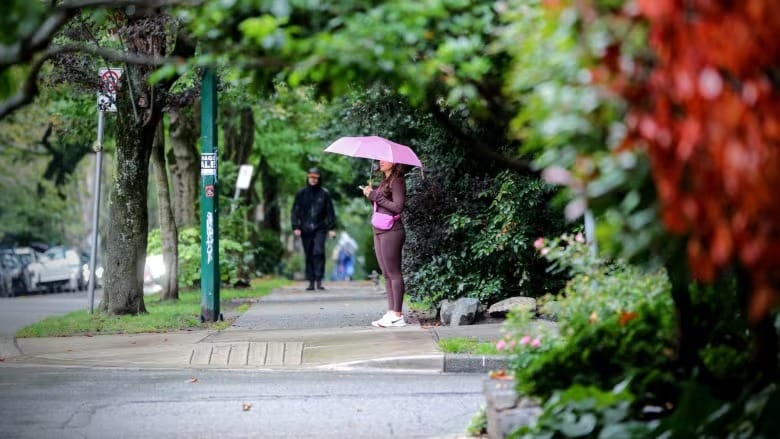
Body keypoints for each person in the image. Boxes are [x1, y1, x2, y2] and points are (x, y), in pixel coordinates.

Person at [362, 160, 407, 327]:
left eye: (385, 159)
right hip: (379, 230)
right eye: (380, 158)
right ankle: (391, 312)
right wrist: (370, 196)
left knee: (394, 273)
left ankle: (398, 314)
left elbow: (398, 206)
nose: (381, 161)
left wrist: (376, 196)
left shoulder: (398, 181)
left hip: (392, 231)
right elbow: (381, 206)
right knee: (386, 273)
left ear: (394, 162)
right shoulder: (385, 181)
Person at [292, 167, 337, 290]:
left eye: (315, 178)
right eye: (311, 177)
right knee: (309, 254)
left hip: (320, 228)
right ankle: (311, 281)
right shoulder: (301, 194)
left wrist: (331, 228)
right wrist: (296, 226)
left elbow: (330, 212)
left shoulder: (324, 194)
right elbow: (295, 211)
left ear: (319, 179)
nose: (313, 180)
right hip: (305, 228)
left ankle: (319, 279)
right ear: (307, 178)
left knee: (318, 252)